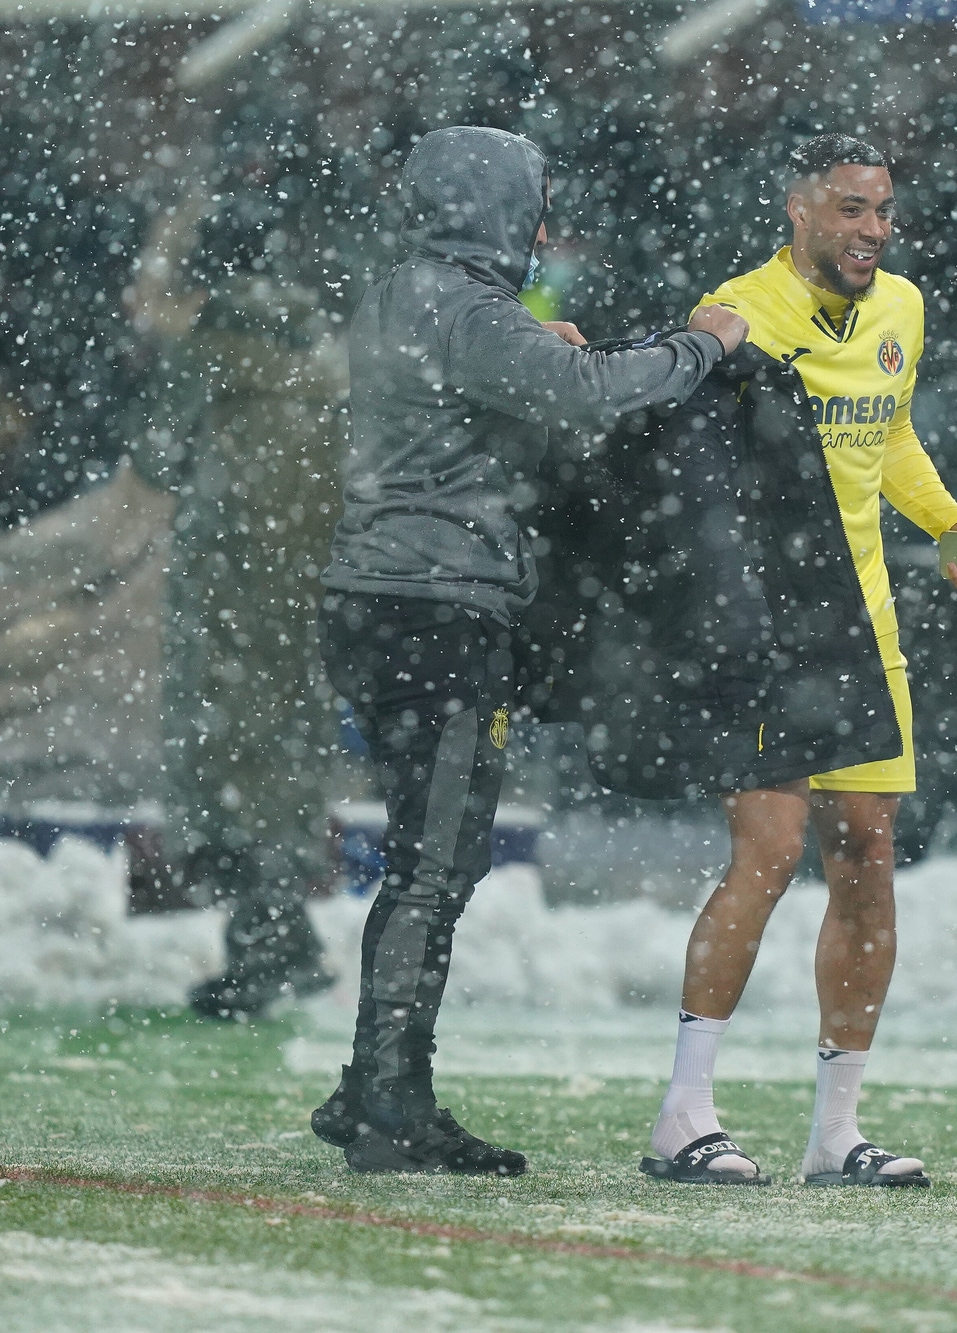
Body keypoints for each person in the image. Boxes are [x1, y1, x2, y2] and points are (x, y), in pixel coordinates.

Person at [308, 125, 748, 1175]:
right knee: (434, 863)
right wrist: (703, 345)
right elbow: (589, 393)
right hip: (439, 607)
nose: (544, 233)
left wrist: (539, 348)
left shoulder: (402, 293)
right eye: (535, 211)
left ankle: (372, 1083)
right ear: (496, 209)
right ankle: (389, 1101)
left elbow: (489, 392)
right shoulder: (466, 309)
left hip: (377, 593)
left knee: (422, 857)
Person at [638, 134, 957, 1189]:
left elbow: (888, 436)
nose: (872, 231)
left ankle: (835, 1134)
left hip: (862, 628)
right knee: (766, 850)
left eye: (883, 211)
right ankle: (683, 1114)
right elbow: (694, 480)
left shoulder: (901, 308)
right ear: (798, 209)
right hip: (764, 629)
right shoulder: (736, 314)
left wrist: (948, 524)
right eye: (851, 209)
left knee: (865, 857)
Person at [127, 192, 351, 1019]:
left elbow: (155, 456)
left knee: (222, 756)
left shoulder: (209, 349)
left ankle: (265, 945)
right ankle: (281, 936)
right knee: (284, 751)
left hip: (225, 581)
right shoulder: (328, 354)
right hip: (307, 578)